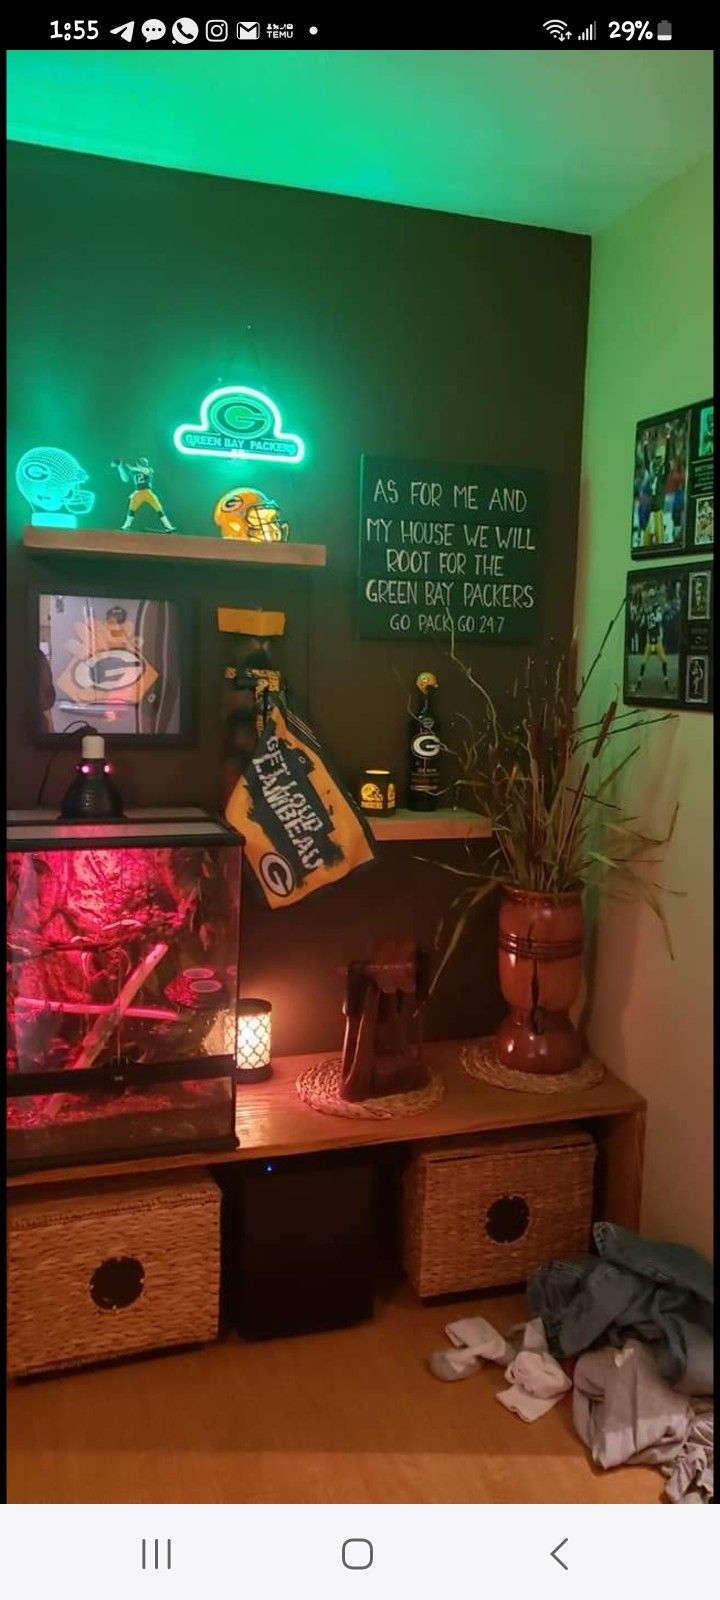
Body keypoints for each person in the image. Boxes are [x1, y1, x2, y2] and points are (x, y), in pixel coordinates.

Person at [111, 457, 175, 532]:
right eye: (141, 463)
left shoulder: (148, 469)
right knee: (131, 509)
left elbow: (146, 471)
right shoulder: (134, 471)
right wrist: (120, 467)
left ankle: (168, 526)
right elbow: (125, 479)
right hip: (138, 492)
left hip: (147, 491)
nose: (143, 465)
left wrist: (133, 468)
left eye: (143, 463)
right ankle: (126, 525)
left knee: (158, 508)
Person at [634, 595, 670, 694]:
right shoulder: (656, 614)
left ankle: (639, 681)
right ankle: (665, 680)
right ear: (655, 608)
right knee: (664, 660)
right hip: (656, 641)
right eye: (657, 608)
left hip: (650, 640)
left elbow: (641, 624)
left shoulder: (648, 615)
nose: (659, 609)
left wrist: (642, 615)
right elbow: (659, 618)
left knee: (644, 662)